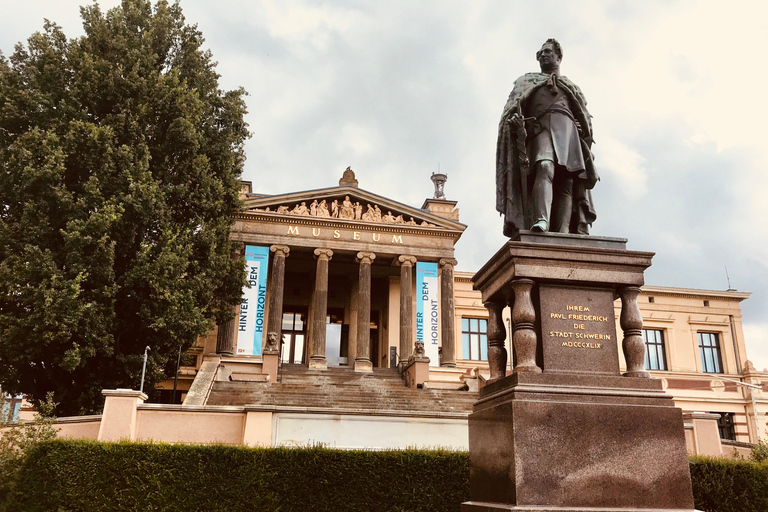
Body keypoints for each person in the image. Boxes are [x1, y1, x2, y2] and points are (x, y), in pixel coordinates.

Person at [496, 38, 598, 237]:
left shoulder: (571, 87)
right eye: (540, 53)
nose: (542, 55)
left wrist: (582, 129)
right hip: (540, 129)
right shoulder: (527, 82)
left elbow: (584, 117)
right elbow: (511, 110)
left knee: (567, 181)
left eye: (547, 52)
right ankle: (541, 219)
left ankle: (563, 229)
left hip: (568, 132)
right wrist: (515, 121)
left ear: (558, 57)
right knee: (544, 166)